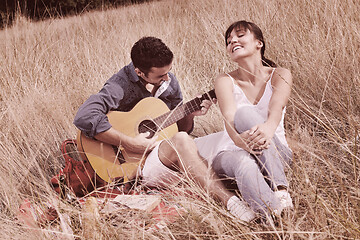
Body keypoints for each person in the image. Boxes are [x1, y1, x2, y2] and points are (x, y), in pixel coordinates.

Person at [74, 36, 256, 222]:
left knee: (226, 138)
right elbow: (85, 116)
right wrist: (130, 143)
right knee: (183, 141)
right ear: (140, 72)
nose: (167, 78)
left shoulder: (169, 82)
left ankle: (269, 190)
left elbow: (180, 129)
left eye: (169, 71)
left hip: (163, 154)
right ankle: (232, 203)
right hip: (135, 167)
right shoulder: (119, 86)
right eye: (160, 75)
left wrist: (190, 114)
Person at [195, 21, 293, 221]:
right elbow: (229, 118)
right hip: (233, 150)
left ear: (259, 43)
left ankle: (280, 190)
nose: (233, 41)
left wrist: (267, 129)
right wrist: (240, 142)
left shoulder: (280, 74)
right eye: (229, 40)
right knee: (244, 159)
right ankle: (274, 215)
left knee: (246, 115)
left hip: (275, 150)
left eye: (240, 35)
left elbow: (276, 109)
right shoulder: (224, 80)